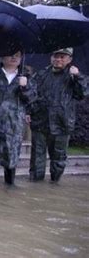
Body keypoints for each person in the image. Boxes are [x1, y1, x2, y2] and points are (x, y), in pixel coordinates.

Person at [29, 48, 88, 182]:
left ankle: (55, 182)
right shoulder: (42, 74)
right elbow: (31, 94)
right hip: (40, 122)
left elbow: (83, 93)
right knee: (37, 157)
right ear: (51, 58)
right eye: (56, 56)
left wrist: (78, 76)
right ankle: (36, 183)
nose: (58, 60)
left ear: (69, 59)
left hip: (62, 124)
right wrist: (29, 111)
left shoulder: (74, 76)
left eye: (62, 57)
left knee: (58, 158)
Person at [0, 48, 36, 185]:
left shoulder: (26, 78)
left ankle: (9, 185)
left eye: (17, 55)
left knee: (11, 155)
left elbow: (32, 99)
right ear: (3, 57)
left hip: (14, 124)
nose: (14, 58)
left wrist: (25, 87)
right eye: (11, 54)